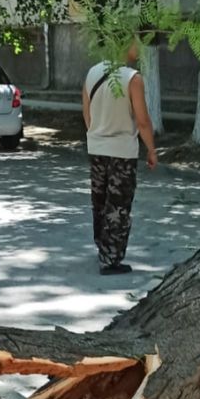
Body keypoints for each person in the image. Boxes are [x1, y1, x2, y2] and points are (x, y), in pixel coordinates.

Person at [82, 41, 158, 275]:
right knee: (118, 205)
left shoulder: (92, 73)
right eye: (137, 44)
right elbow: (143, 121)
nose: (140, 49)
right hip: (122, 151)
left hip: (96, 147)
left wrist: (97, 135)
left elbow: (87, 112)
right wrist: (152, 150)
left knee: (100, 201)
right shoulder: (132, 78)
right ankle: (111, 258)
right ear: (125, 45)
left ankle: (102, 247)